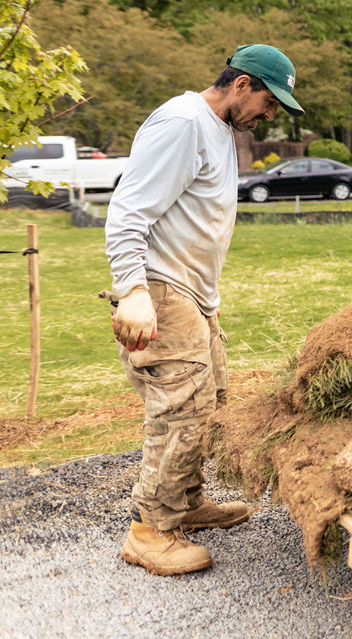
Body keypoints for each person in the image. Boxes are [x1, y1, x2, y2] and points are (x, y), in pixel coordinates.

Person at [106, 44, 304, 576]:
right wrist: (133, 290)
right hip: (162, 291)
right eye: (268, 101)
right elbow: (127, 211)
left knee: (208, 406)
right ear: (241, 85)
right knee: (180, 413)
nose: (270, 114)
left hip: (194, 296)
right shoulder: (183, 123)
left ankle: (184, 502)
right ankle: (149, 531)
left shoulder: (216, 130)